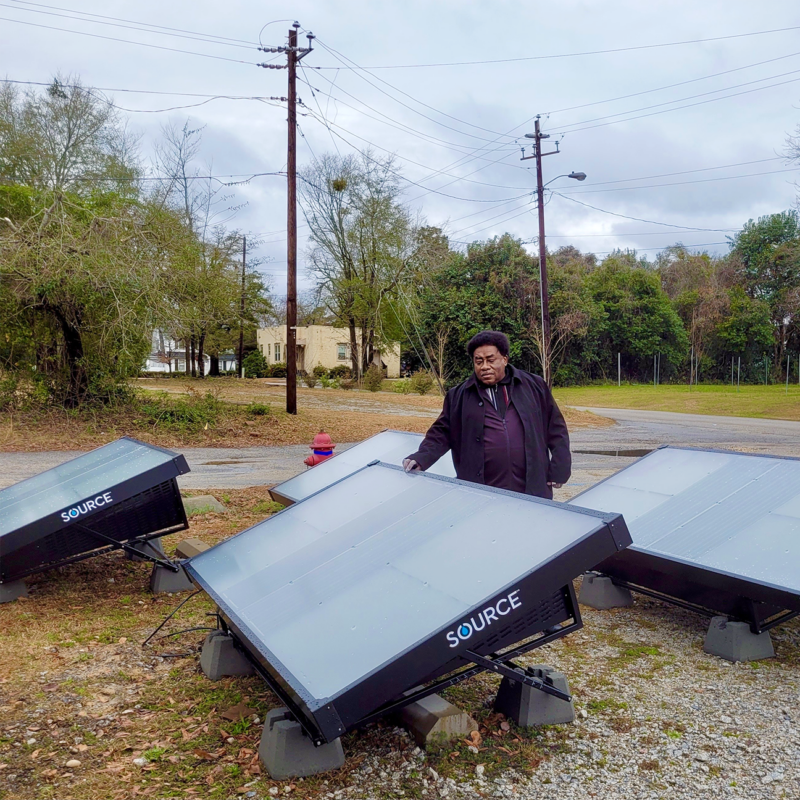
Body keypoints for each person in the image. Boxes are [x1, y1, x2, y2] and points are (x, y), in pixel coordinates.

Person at [403, 330, 570, 499]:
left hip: (531, 488)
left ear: (505, 359)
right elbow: (441, 433)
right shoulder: (459, 396)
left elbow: (556, 428)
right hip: (480, 491)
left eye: (491, 360)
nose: (484, 366)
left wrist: (560, 467)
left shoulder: (534, 386)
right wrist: (421, 458)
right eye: (479, 361)